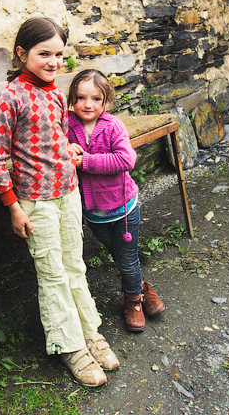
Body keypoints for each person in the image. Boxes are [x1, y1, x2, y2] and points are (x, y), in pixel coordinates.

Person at [0, 17, 119, 388]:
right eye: (44, 54)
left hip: (68, 193)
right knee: (52, 272)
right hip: (35, 202)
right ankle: (69, 346)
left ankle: (90, 333)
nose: (54, 62)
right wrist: (13, 206)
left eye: (59, 54)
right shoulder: (10, 96)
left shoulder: (58, 94)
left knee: (74, 263)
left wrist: (67, 147)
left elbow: (54, 134)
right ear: (22, 53)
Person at [66, 69, 166, 333]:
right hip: (93, 214)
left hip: (123, 211)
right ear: (72, 99)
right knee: (122, 258)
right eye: (80, 98)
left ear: (106, 101)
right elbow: (52, 147)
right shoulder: (66, 125)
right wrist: (65, 149)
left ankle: (132, 301)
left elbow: (126, 160)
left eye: (96, 99)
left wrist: (85, 161)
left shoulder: (112, 126)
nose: (87, 105)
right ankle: (143, 287)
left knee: (126, 260)